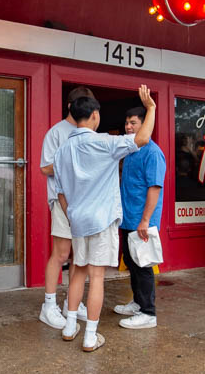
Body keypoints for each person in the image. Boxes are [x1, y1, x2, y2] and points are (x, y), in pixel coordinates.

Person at [53, 86, 155, 352]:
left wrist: (72, 214)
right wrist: (151, 108)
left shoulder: (62, 150)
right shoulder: (104, 143)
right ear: (95, 116)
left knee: (77, 274)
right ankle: (90, 336)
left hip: (77, 220)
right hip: (101, 219)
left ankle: (69, 326)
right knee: (96, 277)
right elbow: (142, 139)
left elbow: (61, 192)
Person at [38, 86, 94, 329]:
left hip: (85, 202)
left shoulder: (90, 131)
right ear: (72, 106)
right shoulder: (56, 132)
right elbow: (44, 168)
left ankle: (72, 302)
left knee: (79, 256)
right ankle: (48, 305)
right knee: (61, 254)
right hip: (62, 201)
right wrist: (70, 161)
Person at [114, 105, 166, 329]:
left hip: (141, 220)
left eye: (133, 123)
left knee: (143, 266)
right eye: (127, 123)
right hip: (128, 217)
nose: (128, 126)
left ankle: (148, 313)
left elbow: (154, 188)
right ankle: (137, 302)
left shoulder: (152, 152)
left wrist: (145, 220)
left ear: (145, 125)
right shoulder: (132, 149)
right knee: (132, 263)